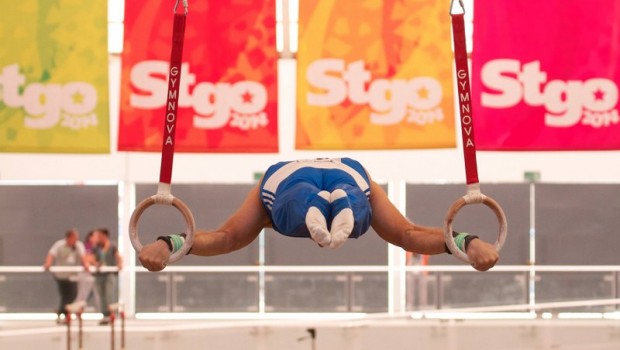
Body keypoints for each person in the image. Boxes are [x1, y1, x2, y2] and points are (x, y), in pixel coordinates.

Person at [139, 158, 499, 272]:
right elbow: (408, 235)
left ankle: (316, 204)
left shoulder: (264, 204)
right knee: (362, 217)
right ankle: (336, 204)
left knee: (289, 210)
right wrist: (466, 241)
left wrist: (171, 243)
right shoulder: (364, 182)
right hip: (344, 172)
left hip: (294, 177)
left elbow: (224, 238)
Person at [43, 228, 88, 323]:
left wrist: (86, 264)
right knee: (65, 296)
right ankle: (62, 314)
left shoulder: (78, 245)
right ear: (69, 237)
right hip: (61, 276)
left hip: (73, 275)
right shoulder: (59, 245)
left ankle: (64, 313)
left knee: (72, 295)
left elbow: (83, 256)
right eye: (74, 237)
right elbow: (51, 254)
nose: (76, 239)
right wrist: (48, 263)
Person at [92, 228, 123, 325]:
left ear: (105, 236)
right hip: (99, 274)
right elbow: (91, 257)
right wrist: (95, 263)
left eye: (100, 236)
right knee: (101, 295)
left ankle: (112, 314)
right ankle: (105, 315)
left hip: (110, 274)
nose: (98, 238)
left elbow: (118, 256)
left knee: (110, 294)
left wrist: (119, 264)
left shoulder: (112, 246)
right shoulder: (96, 247)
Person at [75, 230, 101, 311]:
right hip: (85, 274)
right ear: (90, 237)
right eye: (96, 236)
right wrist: (93, 262)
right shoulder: (86, 246)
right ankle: (76, 310)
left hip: (94, 275)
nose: (98, 238)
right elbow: (87, 258)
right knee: (82, 294)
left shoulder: (98, 248)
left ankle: (102, 311)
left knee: (98, 295)